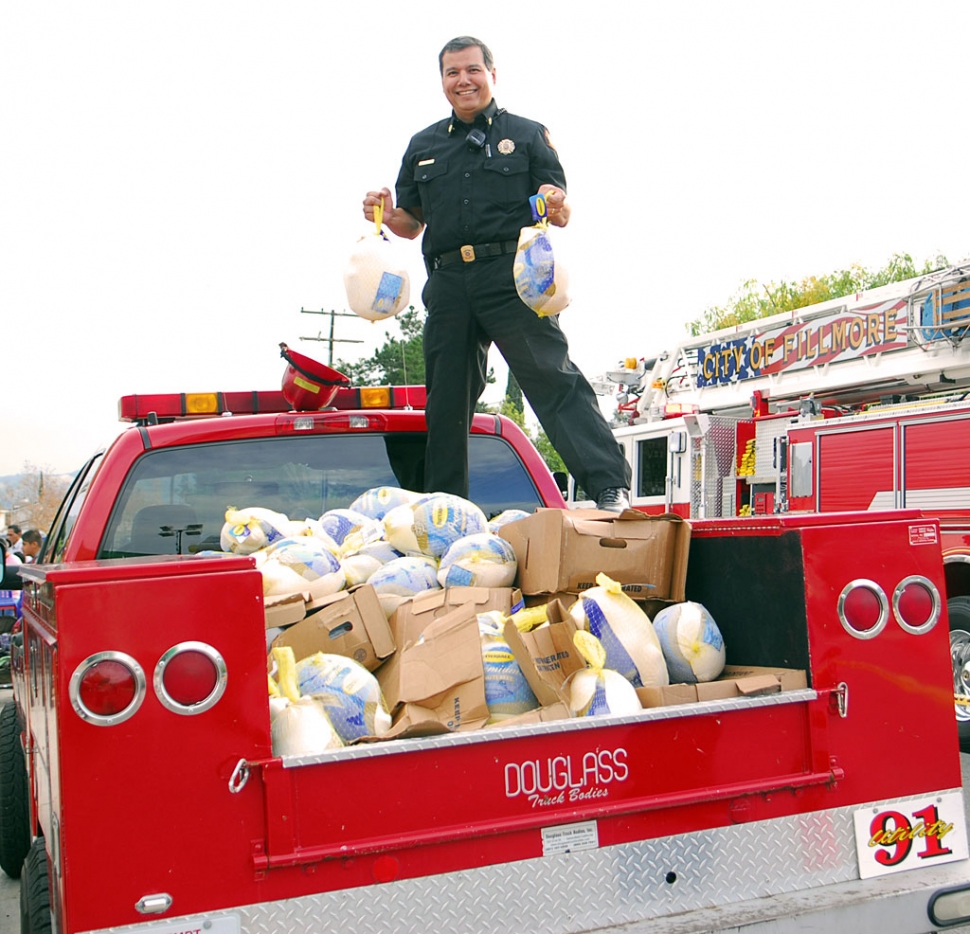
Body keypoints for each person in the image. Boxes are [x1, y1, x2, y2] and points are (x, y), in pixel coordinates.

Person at [362, 36, 631, 512]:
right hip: (447, 282)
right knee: (445, 401)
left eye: (471, 70)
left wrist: (555, 202)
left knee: (551, 377)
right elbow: (409, 224)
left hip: (512, 278)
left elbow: (561, 212)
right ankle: (442, 509)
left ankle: (609, 486)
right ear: (442, 81)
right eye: (452, 73)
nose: (462, 81)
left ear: (491, 74)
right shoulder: (422, 145)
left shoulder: (527, 135)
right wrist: (383, 211)